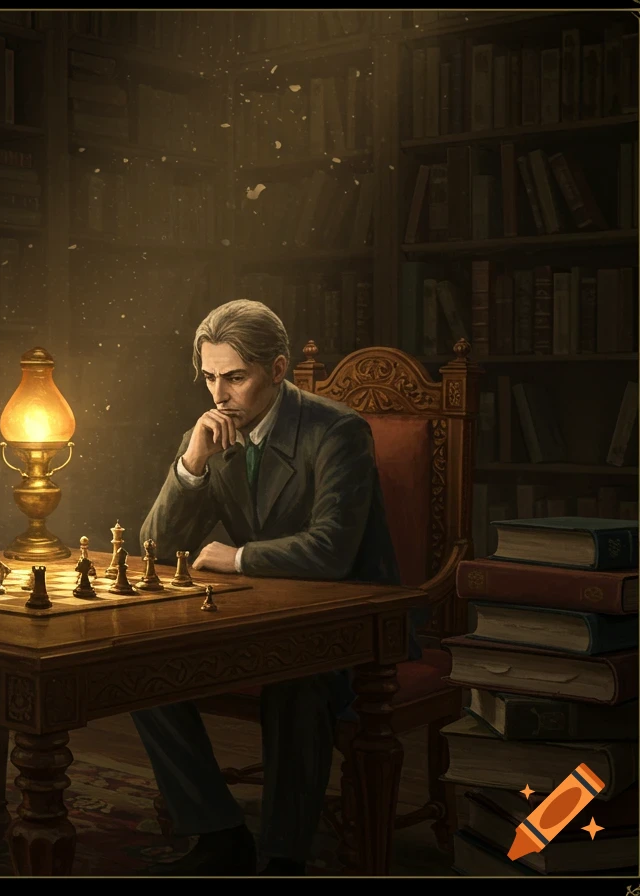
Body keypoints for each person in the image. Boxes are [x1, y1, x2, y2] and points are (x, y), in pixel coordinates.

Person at [132, 299, 420, 876]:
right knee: (142, 672)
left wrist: (236, 558)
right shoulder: (215, 433)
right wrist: (191, 463)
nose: (219, 394)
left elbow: (333, 552)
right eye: (210, 377)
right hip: (262, 618)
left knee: (297, 681)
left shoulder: (338, 431)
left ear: (279, 369)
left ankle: (284, 857)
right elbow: (155, 549)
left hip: (355, 624)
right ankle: (218, 833)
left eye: (235, 377)